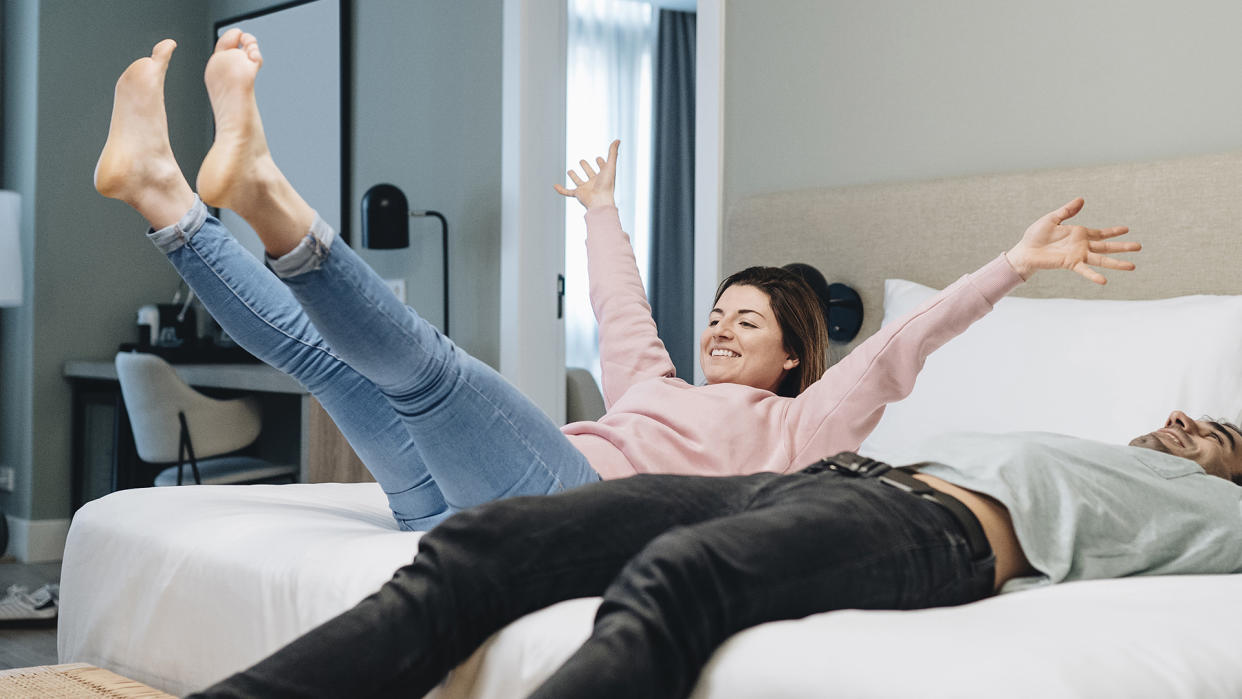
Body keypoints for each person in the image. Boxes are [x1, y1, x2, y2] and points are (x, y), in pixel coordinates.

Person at [95, 33, 1138, 530]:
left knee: (431, 374)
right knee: (329, 363)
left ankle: (265, 191)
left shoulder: (807, 431)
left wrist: (1012, 265)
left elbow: (908, 346)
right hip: (447, 502)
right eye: (720, 312)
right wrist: (599, 213)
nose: (722, 328)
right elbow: (621, 306)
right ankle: (163, 199)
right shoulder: (655, 385)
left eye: (747, 322)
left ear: (792, 358)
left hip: (570, 510)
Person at [189, 411, 1242, 698]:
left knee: (675, 578)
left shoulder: (1216, 517)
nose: (1184, 421)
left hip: (937, 527)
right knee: (484, 541)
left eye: (1217, 431)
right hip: (825, 479)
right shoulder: (1098, 440)